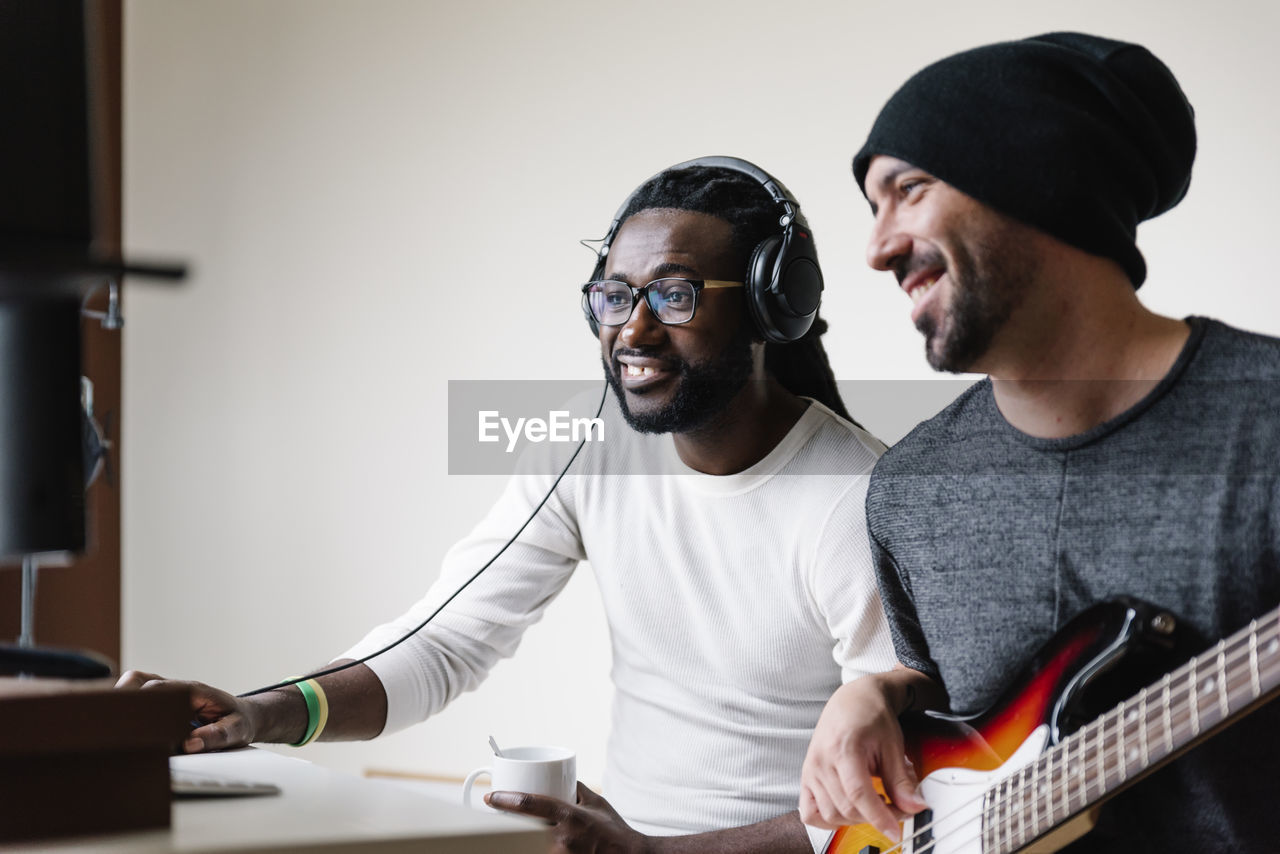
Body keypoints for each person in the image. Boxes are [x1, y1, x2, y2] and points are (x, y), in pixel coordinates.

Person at [119, 159, 897, 853]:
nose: (633, 328)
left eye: (674, 294)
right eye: (615, 295)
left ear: (772, 305)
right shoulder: (584, 447)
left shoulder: (857, 501)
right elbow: (446, 642)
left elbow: (890, 793)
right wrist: (259, 716)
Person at [798, 32, 1280, 852]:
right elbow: (957, 700)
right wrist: (876, 692)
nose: (876, 249)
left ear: (1037, 178)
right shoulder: (913, 488)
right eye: (872, 208)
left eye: (908, 190)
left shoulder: (1265, 425)